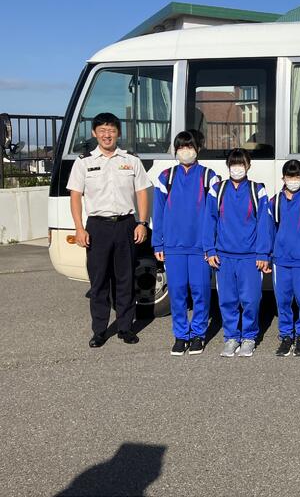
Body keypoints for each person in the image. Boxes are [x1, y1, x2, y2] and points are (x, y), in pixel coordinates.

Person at [67, 112, 152, 347]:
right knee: (99, 281)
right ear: (94, 133)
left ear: (118, 133)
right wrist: (79, 228)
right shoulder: (83, 162)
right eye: (102, 130)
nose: (107, 135)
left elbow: (142, 192)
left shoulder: (131, 160)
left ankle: (125, 327)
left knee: (125, 279)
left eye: (112, 130)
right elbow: (75, 197)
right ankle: (99, 331)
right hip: (97, 227)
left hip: (126, 224)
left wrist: (142, 222)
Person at [152, 130, 219, 356]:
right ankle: (181, 335)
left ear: (198, 149)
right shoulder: (166, 177)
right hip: (173, 247)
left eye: (189, 147)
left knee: (201, 292)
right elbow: (158, 212)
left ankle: (198, 334)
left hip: (200, 247)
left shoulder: (209, 177)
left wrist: (211, 245)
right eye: (180, 147)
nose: (185, 151)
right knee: (177, 292)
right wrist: (158, 243)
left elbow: (215, 214)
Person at [203, 148, 270, 358]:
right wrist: (210, 249)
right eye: (233, 164)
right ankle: (231, 337)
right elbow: (209, 220)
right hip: (223, 256)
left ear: (249, 166)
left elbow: (264, 224)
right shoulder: (217, 189)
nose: (237, 168)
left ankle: (249, 337)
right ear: (228, 166)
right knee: (227, 300)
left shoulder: (258, 190)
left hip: (250, 256)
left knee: (251, 299)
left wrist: (263, 253)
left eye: (241, 164)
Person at [264, 159, 300, 357]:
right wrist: (267, 256)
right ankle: (286, 335)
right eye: (290, 176)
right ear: (283, 178)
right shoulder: (274, 202)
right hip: (280, 261)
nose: (293, 180)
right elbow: (269, 231)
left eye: (296, 176)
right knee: (283, 301)